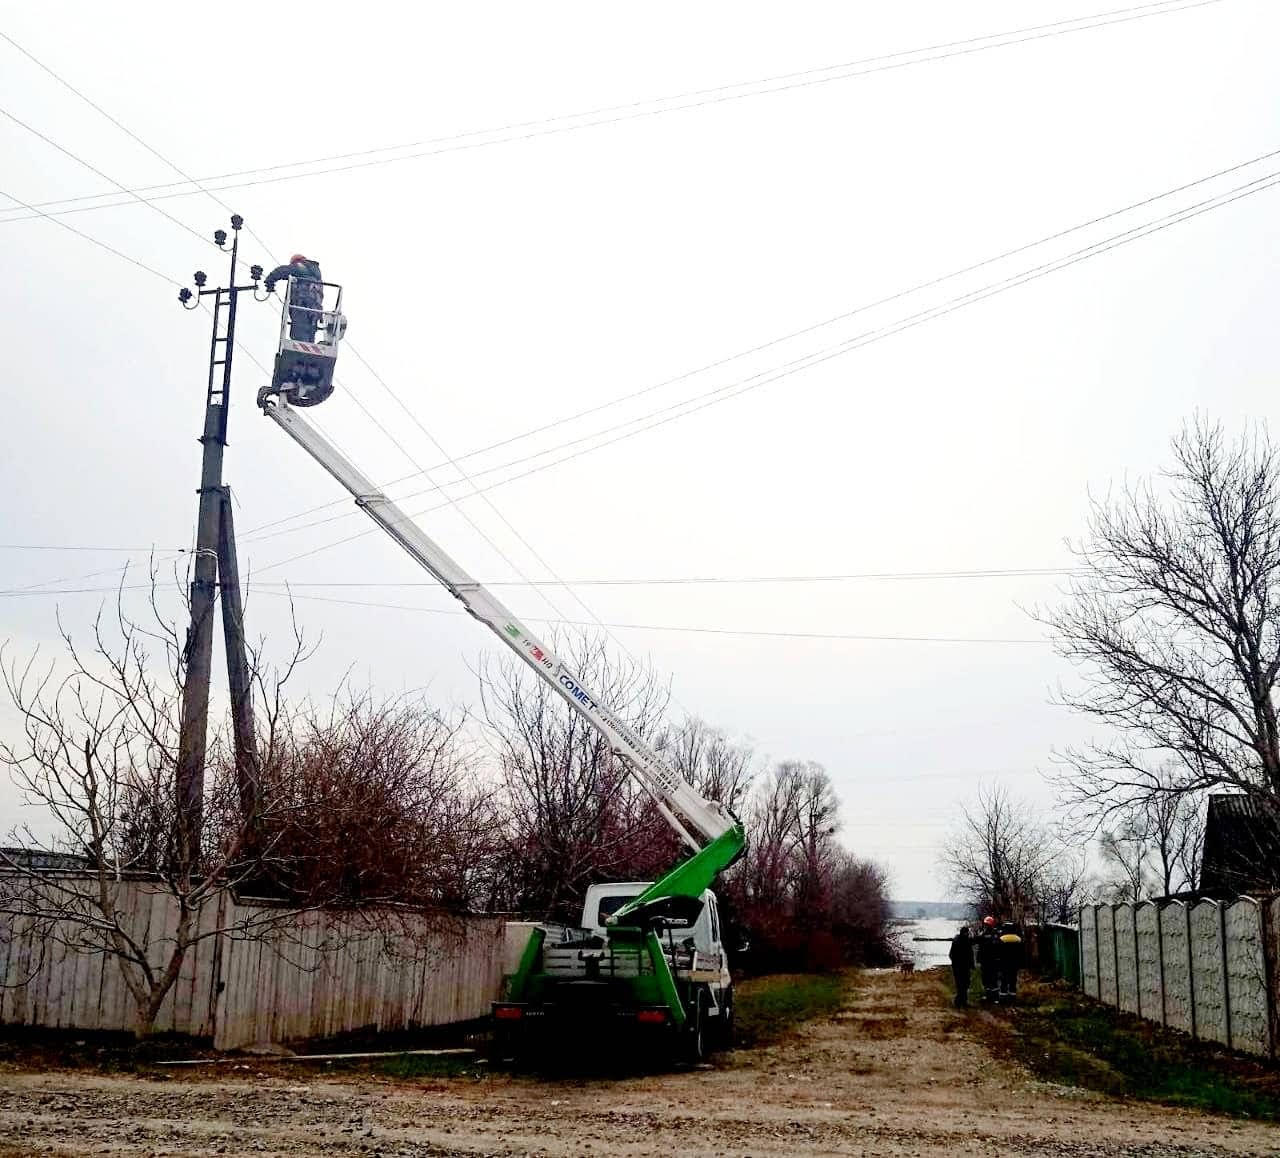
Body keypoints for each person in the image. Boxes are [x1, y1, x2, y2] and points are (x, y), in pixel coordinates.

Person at [264, 254, 324, 341]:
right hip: (315, 310)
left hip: (302, 306)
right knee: (309, 336)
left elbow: (283, 271)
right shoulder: (315, 273)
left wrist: (270, 280)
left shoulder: (301, 267)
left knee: (299, 335)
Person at [948, 925, 974, 1009]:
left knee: (964, 984)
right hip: (960, 966)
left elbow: (951, 955)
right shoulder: (961, 941)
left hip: (961, 966)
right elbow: (969, 954)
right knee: (962, 984)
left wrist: (971, 965)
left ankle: (962, 1001)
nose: (968, 934)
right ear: (964, 933)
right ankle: (959, 1001)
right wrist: (971, 964)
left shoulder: (958, 940)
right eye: (967, 932)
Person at [997, 922, 1024, 1001]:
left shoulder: (1001, 939)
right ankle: (1012, 995)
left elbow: (998, 951)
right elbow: (1021, 952)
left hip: (1004, 962)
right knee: (1013, 979)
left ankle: (1003, 995)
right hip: (1014, 963)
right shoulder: (1018, 939)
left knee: (1004, 979)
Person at [976, 915, 1000, 1002]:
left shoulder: (983, 934)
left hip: (987, 961)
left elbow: (980, 948)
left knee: (987, 979)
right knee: (992, 979)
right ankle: (993, 997)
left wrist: (978, 959)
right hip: (993, 961)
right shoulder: (996, 934)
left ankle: (990, 996)